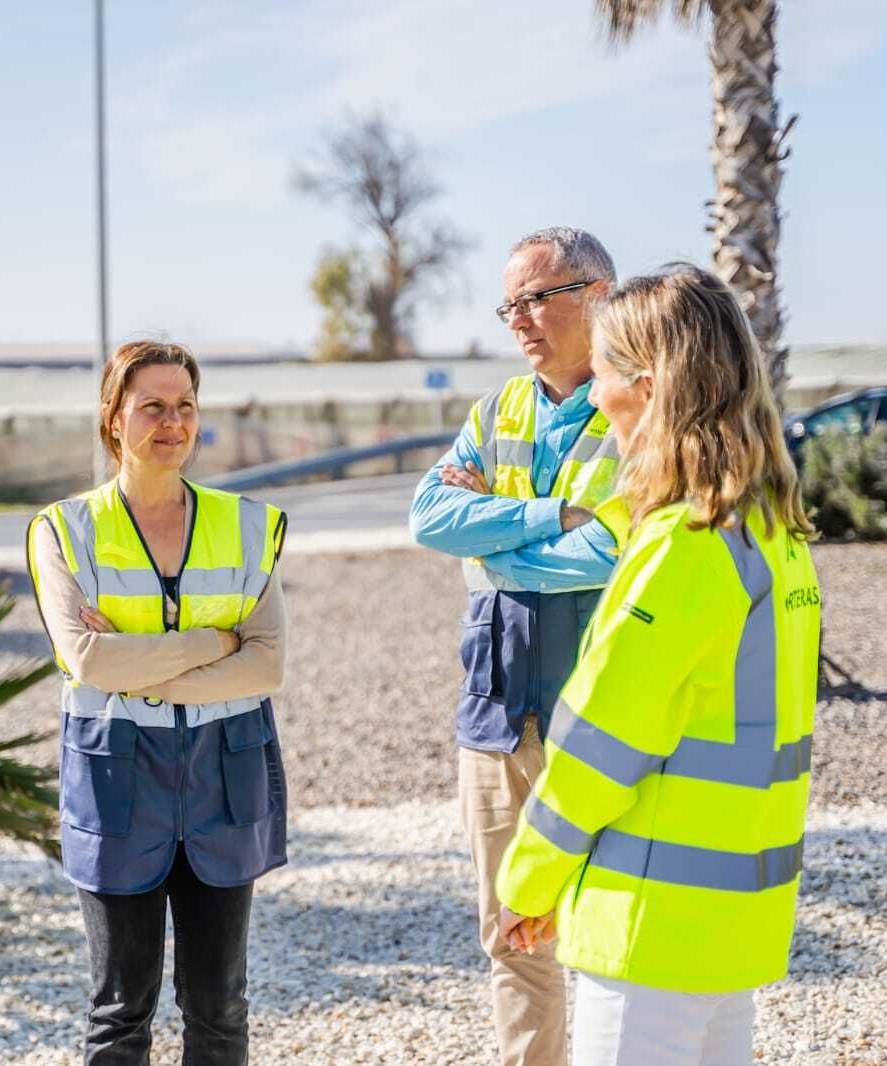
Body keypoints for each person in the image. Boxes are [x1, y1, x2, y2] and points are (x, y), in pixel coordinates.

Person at [494, 264, 821, 1065]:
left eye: (602, 376)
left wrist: (527, 885)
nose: (595, 398)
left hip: (649, 928)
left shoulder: (683, 547)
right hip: (731, 925)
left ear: (646, 387)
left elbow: (600, 744)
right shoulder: (775, 540)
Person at [26, 339, 288, 1066]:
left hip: (222, 785)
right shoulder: (63, 529)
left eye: (184, 407)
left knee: (220, 1009)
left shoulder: (247, 525)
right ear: (114, 419)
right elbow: (84, 657)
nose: (171, 423)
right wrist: (217, 642)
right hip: (118, 787)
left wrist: (136, 666)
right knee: (118, 1011)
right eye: (151, 407)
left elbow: (268, 666)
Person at [408, 226, 619, 1066]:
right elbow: (428, 518)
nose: (520, 320)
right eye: (511, 305)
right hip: (494, 718)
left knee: (606, 936)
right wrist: (545, 516)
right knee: (513, 937)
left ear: (599, 293)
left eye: (538, 298)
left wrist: (488, 547)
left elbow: (607, 554)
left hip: (598, 716)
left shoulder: (639, 404)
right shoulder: (496, 410)